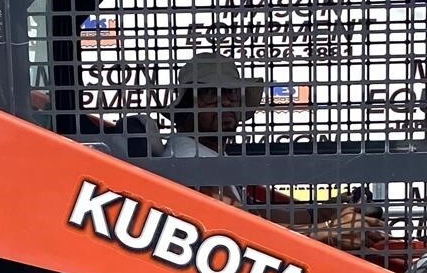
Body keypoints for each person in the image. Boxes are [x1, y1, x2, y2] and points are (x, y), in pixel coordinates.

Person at [161, 52, 387, 253]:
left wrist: (321, 212)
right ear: (187, 105)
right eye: (211, 94)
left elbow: (256, 215)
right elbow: (244, 234)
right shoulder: (189, 160)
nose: (225, 102)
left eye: (232, 93)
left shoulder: (207, 154)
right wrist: (329, 232)